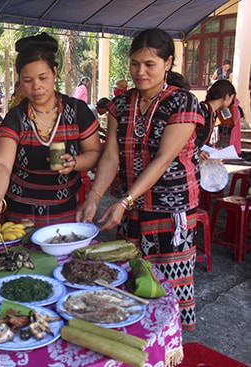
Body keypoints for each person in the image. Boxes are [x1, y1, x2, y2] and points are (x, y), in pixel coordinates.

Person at [76, 28, 205, 331]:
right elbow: (110, 157)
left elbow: (163, 159)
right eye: (135, 63)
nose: (140, 71)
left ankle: (171, 348)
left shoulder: (183, 103)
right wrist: (94, 197)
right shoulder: (120, 105)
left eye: (150, 64)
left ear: (168, 63)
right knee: (131, 281)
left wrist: (123, 200)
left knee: (169, 286)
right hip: (133, 209)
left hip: (171, 212)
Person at [0, 33, 101, 226]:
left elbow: (94, 152)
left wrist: (75, 162)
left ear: (55, 73)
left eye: (43, 78)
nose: (36, 87)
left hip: (66, 211)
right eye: (27, 80)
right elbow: (2, 164)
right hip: (21, 216)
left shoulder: (77, 111)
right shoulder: (16, 117)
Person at [196, 80, 236, 160]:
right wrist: (197, 152)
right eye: (232, 99)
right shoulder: (201, 110)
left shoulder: (213, 113)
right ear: (227, 96)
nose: (231, 103)